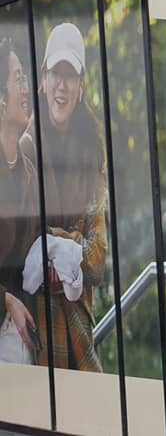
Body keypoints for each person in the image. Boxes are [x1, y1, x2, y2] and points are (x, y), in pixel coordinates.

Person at [33, 23, 107, 372]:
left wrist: (57, 242)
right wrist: (72, 247)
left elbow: (97, 257)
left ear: (81, 86)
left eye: (70, 75)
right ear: (43, 79)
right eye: (55, 73)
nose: (61, 85)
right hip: (36, 336)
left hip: (80, 333)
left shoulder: (90, 150)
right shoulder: (23, 147)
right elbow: (22, 257)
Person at [0, 38, 40, 364]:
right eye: (17, 79)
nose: (25, 90)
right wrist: (4, 300)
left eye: (26, 80)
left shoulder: (28, 172)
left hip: (19, 341)